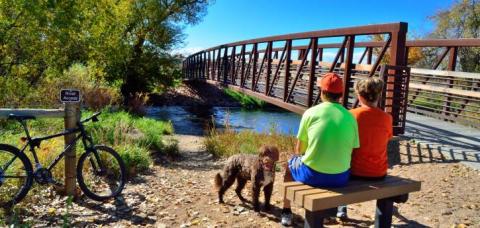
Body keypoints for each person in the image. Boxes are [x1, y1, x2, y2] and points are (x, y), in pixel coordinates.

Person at [281, 73, 360, 226]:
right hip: (341, 178)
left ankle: (286, 211)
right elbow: (352, 149)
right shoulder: (350, 117)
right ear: (341, 94)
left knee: (290, 164)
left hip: (313, 176)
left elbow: (299, 150)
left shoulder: (310, 113)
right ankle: (337, 209)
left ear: (322, 92)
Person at [336, 77, 393, 219]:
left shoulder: (351, 115)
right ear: (379, 95)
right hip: (379, 174)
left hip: (354, 173)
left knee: (341, 160)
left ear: (359, 96)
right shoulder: (387, 118)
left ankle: (341, 207)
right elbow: (388, 138)